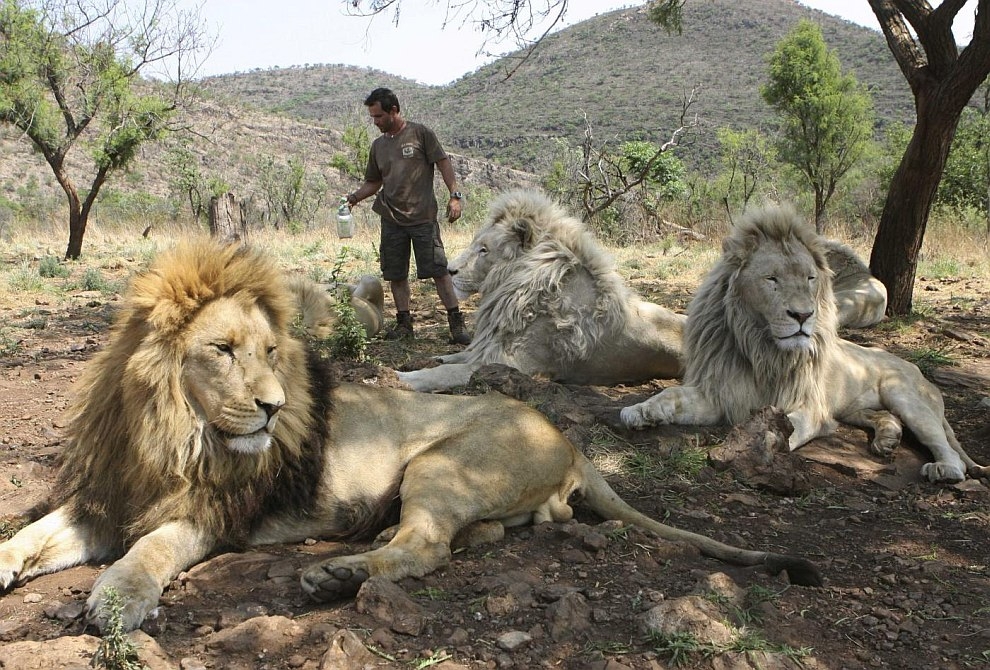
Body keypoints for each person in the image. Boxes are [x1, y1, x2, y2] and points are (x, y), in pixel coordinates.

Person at [342, 87, 471, 345]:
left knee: (438, 270)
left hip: (422, 218)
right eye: (372, 117)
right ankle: (404, 325)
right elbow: (374, 182)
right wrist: (354, 198)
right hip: (391, 219)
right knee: (395, 274)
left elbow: (443, 162)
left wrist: (454, 195)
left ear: (394, 110)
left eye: (378, 116)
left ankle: (456, 325)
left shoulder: (420, 134)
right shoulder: (378, 146)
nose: (375, 122)